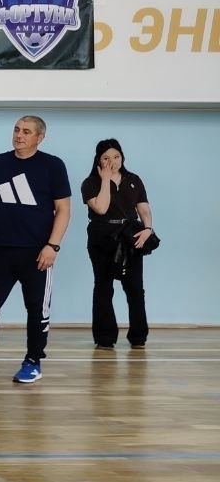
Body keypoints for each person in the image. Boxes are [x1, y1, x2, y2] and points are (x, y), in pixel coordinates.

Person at [0, 116, 71, 384]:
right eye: (16, 129)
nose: (19, 135)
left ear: (39, 137)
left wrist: (52, 246)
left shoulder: (52, 165)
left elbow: (63, 210)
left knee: (37, 310)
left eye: (26, 131)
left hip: (36, 253)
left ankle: (33, 361)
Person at [81, 139, 154, 350]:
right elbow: (101, 208)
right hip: (101, 236)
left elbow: (143, 208)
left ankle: (138, 336)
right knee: (103, 287)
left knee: (135, 288)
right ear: (98, 160)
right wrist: (105, 180)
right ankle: (105, 338)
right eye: (106, 158)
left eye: (116, 157)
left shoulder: (134, 179)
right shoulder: (90, 183)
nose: (112, 161)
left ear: (122, 157)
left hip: (130, 236)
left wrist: (148, 228)